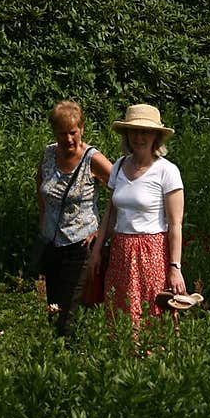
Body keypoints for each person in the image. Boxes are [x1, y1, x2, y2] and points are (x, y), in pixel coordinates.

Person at [87, 102, 187, 330]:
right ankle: (123, 362)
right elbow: (110, 214)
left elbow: (175, 224)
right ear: (127, 134)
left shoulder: (167, 171)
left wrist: (175, 267)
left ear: (155, 136)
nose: (139, 137)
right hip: (121, 251)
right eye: (134, 131)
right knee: (120, 312)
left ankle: (154, 361)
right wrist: (97, 251)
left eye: (145, 131)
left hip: (151, 253)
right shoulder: (119, 167)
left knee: (152, 311)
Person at [35, 100, 112, 337]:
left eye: (73, 132)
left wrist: (102, 232)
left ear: (82, 129)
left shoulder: (93, 159)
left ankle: (70, 358)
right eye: (62, 133)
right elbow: (40, 185)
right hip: (51, 243)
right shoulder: (49, 154)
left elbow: (122, 192)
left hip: (80, 245)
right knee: (53, 307)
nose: (68, 139)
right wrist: (42, 224)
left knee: (69, 312)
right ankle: (53, 357)